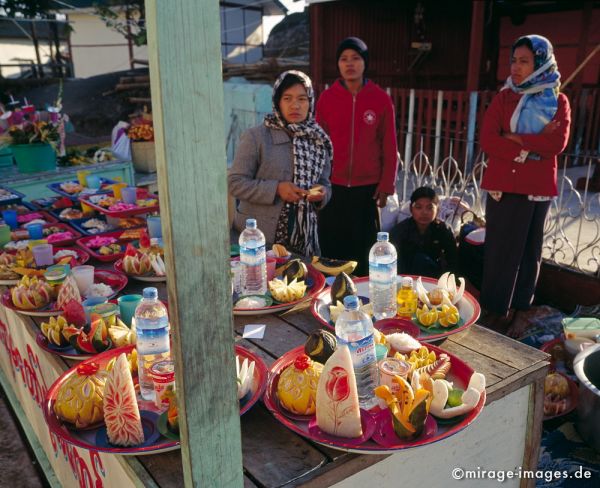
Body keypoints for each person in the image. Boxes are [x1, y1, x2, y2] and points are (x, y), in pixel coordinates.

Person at [479, 34, 570, 337]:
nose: (516, 67)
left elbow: (556, 143)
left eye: (524, 61)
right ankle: (494, 310)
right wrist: (530, 148)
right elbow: (489, 139)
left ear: (541, 62)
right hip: (503, 186)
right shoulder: (505, 98)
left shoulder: (557, 100)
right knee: (499, 249)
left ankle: (519, 309)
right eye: (514, 61)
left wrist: (515, 138)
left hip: (536, 188)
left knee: (527, 251)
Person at [316, 37, 398, 275]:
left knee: (364, 249)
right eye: (344, 59)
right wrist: (318, 182)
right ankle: (330, 299)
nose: (349, 63)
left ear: (365, 63)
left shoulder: (380, 99)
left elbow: (389, 145)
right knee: (331, 247)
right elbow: (318, 145)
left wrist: (386, 185)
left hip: (368, 188)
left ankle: (363, 299)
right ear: (338, 65)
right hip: (333, 187)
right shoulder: (327, 99)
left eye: (355, 58)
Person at [228, 70, 333, 256]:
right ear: (278, 102)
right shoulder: (256, 137)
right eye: (287, 98)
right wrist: (277, 189)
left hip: (303, 241)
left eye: (302, 99)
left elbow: (325, 183)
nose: (295, 105)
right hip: (258, 241)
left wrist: (322, 194)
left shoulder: (318, 140)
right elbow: (235, 183)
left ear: (310, 103)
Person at [390, 187, 457, 278]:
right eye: (418, 207)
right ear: (411, 209)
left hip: (433, 278)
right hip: (405, 278)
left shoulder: (443, 230)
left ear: (437, 210)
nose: (424, 212)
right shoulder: (400, 231)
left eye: (429, 208)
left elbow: (453, 260)